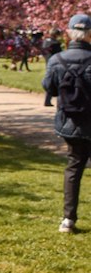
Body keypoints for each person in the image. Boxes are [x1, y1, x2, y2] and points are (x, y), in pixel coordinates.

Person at [42, 12, 91, 233]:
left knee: (74, 168)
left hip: (70, 123)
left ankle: (68, 219)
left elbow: (49, 88)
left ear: (70, 33)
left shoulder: (56, 60)